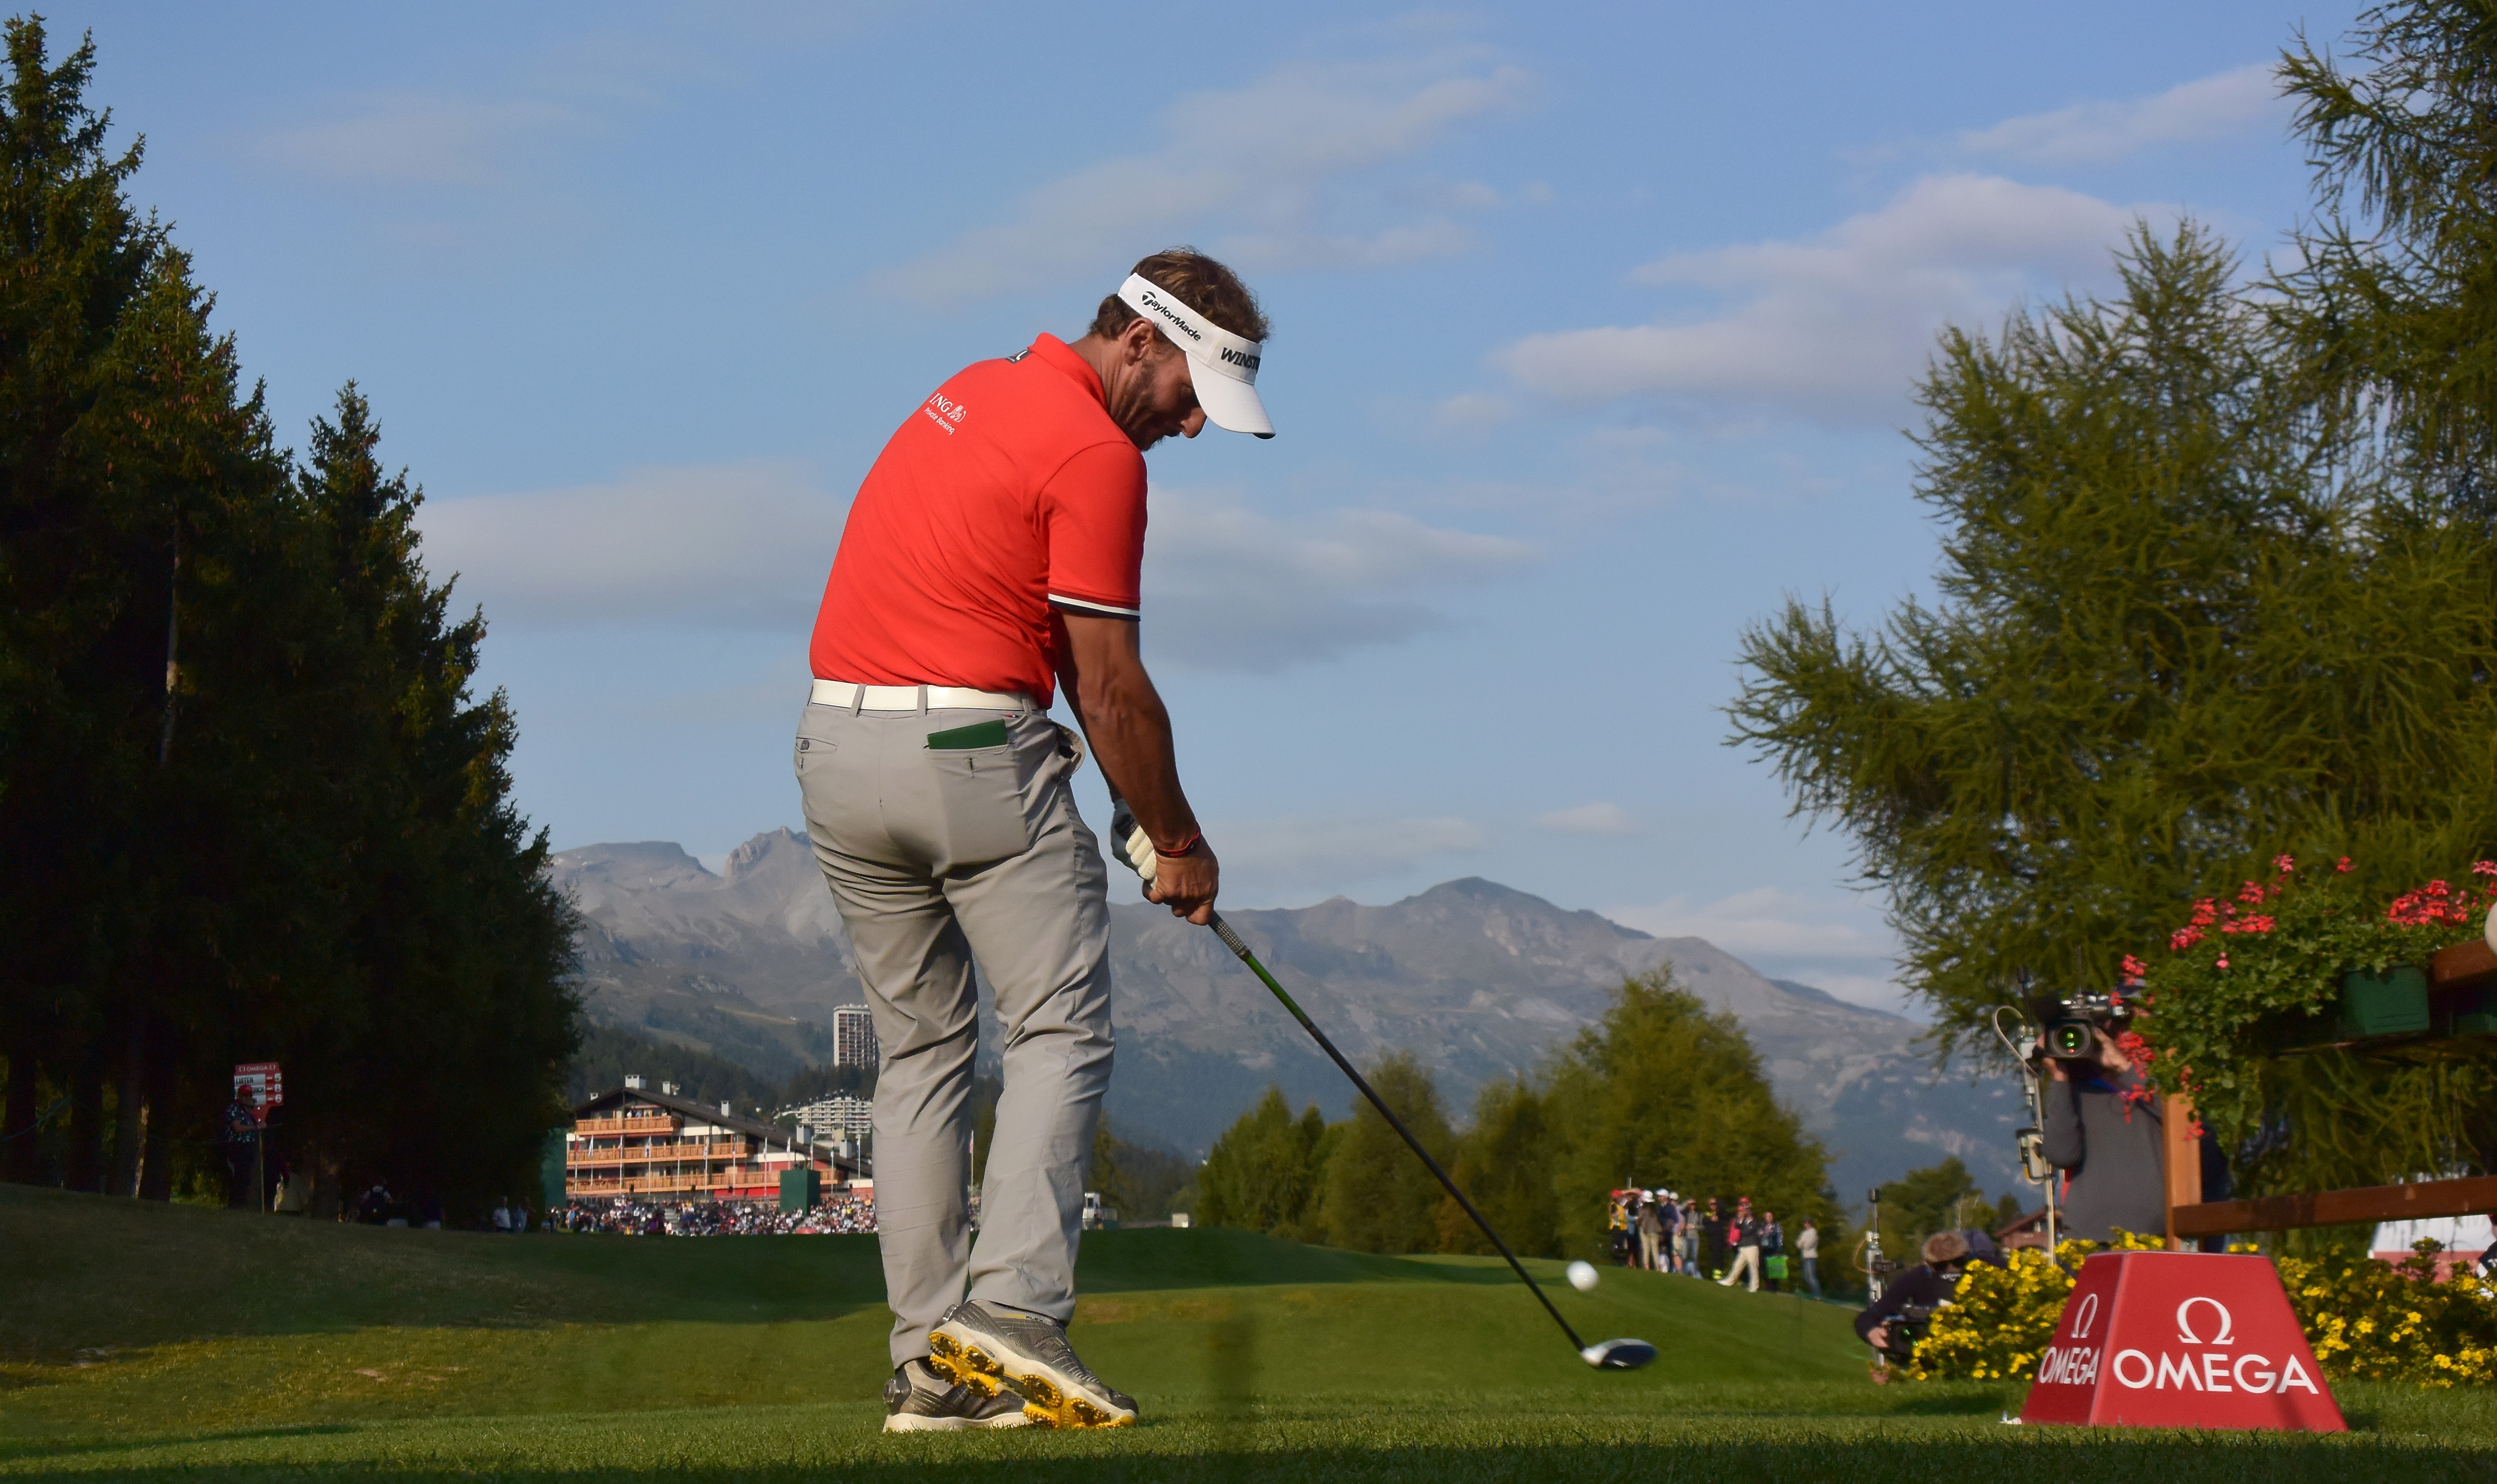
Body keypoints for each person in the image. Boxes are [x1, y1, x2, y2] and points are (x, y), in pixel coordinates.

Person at [797, 250, 1273, 1434]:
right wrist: (1179, 838)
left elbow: (1047, 635)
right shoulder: (1100, 454)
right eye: (1191, 397)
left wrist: (1129, 807)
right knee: (1058, 1027)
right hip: (967, 751)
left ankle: (931, 1371)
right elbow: (1107, 686)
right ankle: (1012, 1309)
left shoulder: (972, 386)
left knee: (918, 1055)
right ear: (1141, 342)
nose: (1191, 428)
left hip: (834, 747)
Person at [2037, 1025, 2170, 1243]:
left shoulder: (2155, 1090)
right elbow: (2061, 1155)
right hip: (2090, 1238)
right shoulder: (2073, 1093)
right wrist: (2059, 1079)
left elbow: (2181, 1119)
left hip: (2155, 1235)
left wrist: (2124, 1067)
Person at [1854, 1229, 2002, 1373]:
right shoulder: (1915, 1278)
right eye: (1941, 1266)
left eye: (1958, 1262)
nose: (1951, 1270)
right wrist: (1873, 1332)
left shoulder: (1990, 1268)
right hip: (1930, 1357)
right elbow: (1868, 1317)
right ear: (1927, 1264)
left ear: (1968, 1256)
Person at [1719, 1197, 1764, 1292]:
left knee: (1753, 1267)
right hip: (1743, 1247)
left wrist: (1743, 1220)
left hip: (1752, 1247)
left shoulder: (1754, 1222)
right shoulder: (1744, 1221)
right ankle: (1729, 1282)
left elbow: (1747, 1232)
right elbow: (1737, 1226)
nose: (1742, 1213)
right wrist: (1741, 1219)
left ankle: (1754, 1287)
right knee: (1737, 1266)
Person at [1635, 1192, 1664, 1271]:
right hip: (1655, 1231)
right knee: (1655, 1250)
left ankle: (1647, 1266)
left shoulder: (1643, 1209)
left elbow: (1639, 1219)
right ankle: (1658, 1267)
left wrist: (1637, 1225)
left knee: (1646, 1249)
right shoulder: (1656, 1209)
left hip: (1645, 1230)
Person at [1796, 1217, 1822, 1299]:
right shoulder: (1803, 1233)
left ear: (1811, 1223)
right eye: (1805, 1223)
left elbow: (1808, 1245)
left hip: (1811, 1257)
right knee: (1806, 1277)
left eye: (1808, 1223)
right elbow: (1798, 1244)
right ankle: (1814, 1294)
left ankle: (1818, 1295)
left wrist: (1802, 1244)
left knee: (1812, 1277)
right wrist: (1802, 1244)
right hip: (1805, 1257)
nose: (1807, 1224)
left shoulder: (1813, 1232)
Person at [1759, 1210, 1785, 1292]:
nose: (1769, 1218)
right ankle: (1767, 1286)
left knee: (1773, 1268)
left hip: (1773, 1249)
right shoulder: (1762, 1226)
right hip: (1764, 1249)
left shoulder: (1777, 1227)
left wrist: (1779, 1250)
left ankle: (1774, 1288)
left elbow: (1780, 1239)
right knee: (1764, 1268)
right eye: (1767, 1216)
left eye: (1770, 1216)